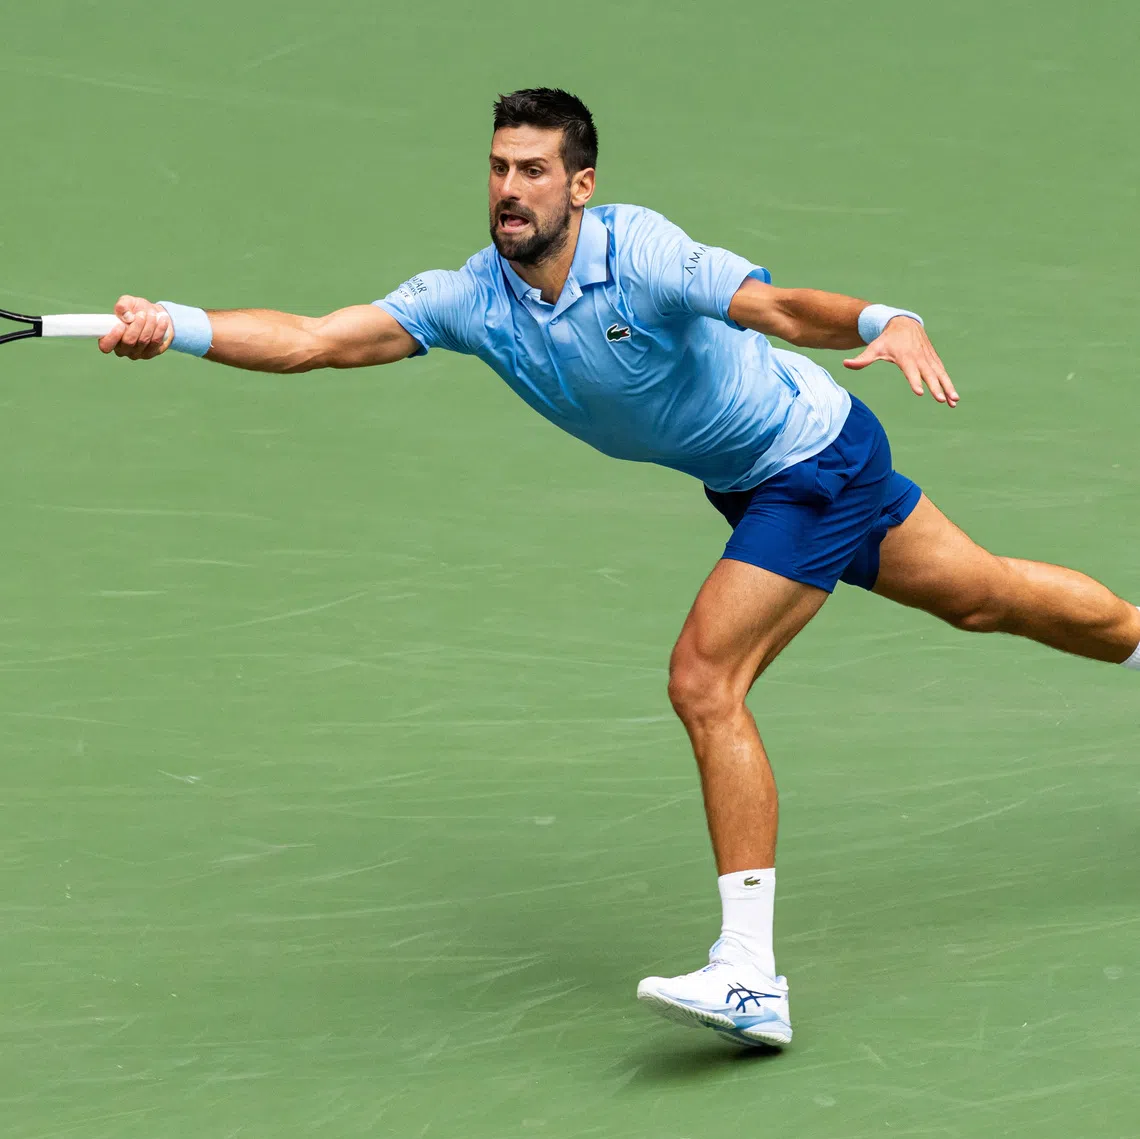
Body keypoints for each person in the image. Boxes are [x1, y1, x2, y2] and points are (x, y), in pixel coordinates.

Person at [99, 88, 1140, 1049]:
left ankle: (749, 973)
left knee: (704, 681)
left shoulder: (642, 253)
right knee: (984, 597)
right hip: (768, 474)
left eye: (534, 170)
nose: (510, 189)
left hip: (809, 467)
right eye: (500, 167)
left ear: (580, 185)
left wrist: (883, 319)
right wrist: (175, 327)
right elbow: (317, 338)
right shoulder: (472, 298)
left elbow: (778, 312)